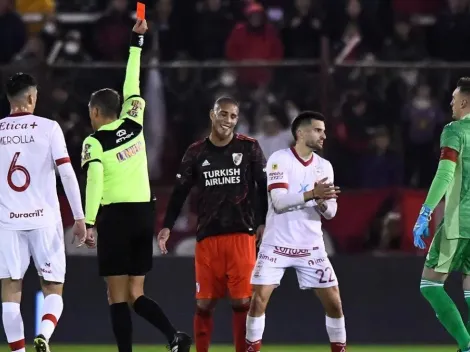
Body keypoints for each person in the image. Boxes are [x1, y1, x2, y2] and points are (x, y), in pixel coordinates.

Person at [81, 19, 191, 352]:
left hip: (114, 217)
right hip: (144, 214)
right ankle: (174, 336)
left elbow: (95, 180)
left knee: (116, 296)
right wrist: (136, 43)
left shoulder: (95, 141)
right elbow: (133, 84)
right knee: (136, 293)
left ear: (97, 111)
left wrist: (88, 221)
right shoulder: (135, 122)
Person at [157, 96, 268, 352]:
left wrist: (262, 222)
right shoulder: (195, 152)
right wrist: (167, 225)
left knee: (242, 301)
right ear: (212, 115)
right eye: (223, 114)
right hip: (208, 237)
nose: (228, 120)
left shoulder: (249, 148)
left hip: (242, 236)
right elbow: (180, 191)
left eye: (233, 116)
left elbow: (263, 189)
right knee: (204, 303)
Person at [245, 111, 346, 352]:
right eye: (318, 130)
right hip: (276, 243)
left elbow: (331, 212)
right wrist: (312, 194)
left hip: (311, 246)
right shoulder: (279, 159)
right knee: (258, 301)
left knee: (334, 303)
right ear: (301, 133)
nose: (324, 135)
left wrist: (321, 202)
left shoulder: (324, 166)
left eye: (324, 130)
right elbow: (279, 202)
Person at [0, 72, 86, 352]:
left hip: (7, 222)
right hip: (44, 221)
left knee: (10, 295)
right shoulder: (48, 128)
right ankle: (44, 336)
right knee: (53, 287)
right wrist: (79, 217)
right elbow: (67, 174)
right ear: (29, 97)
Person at [414, 77, 470, 352]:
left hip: (460, 221)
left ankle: (466, 344)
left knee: (430, 285)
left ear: (464, 102)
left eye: (453, 99)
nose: (450, 104)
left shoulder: (455, 130)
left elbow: (446, 172)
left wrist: (425, 212)